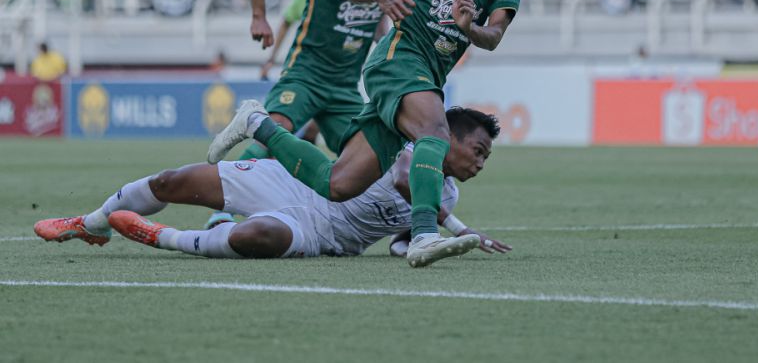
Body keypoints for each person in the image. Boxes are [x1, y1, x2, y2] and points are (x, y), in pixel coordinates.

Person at [208, 0, 523, 267]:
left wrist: (471, 27)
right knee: (434, 132)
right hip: (395, 62)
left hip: (420, 77)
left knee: (338, 183)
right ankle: (422, 235)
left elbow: (493, 38)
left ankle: (255, 123)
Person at [35, 107, 509, 260]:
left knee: (252, 237)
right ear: (446, 138)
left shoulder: (448, 192)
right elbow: (407, 182)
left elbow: (400, 244)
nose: (481, 163)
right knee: (171, 180)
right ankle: (91, 222)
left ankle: (162, 237)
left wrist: (408, 245)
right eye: (479, 150)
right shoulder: (411, 158)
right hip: (293, 186)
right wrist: (460, 229)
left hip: (324, 236)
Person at [202, 0, 401, 229]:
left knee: (369, 156)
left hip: (344, 89)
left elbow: (378, 17)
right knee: (274, 129)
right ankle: (222, 210)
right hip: (305, 75)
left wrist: (387, 48)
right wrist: (258, 16)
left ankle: (399, 226)